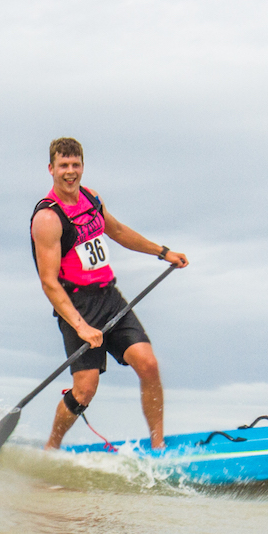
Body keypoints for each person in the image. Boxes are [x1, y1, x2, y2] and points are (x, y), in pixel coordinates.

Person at [30, 137, 188, 450]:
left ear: (83, 167)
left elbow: (116, 231)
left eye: (76, 165)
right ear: (51, 169)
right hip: (77, 304)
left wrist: (163, 252)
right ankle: (51, 449)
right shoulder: (47, 218)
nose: (70, 172)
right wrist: (81, 325)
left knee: (149, 364)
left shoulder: (92, 198)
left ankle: (158, 449)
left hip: (109, 297)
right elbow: (49, 282)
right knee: (85, 388)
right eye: (64, 165)